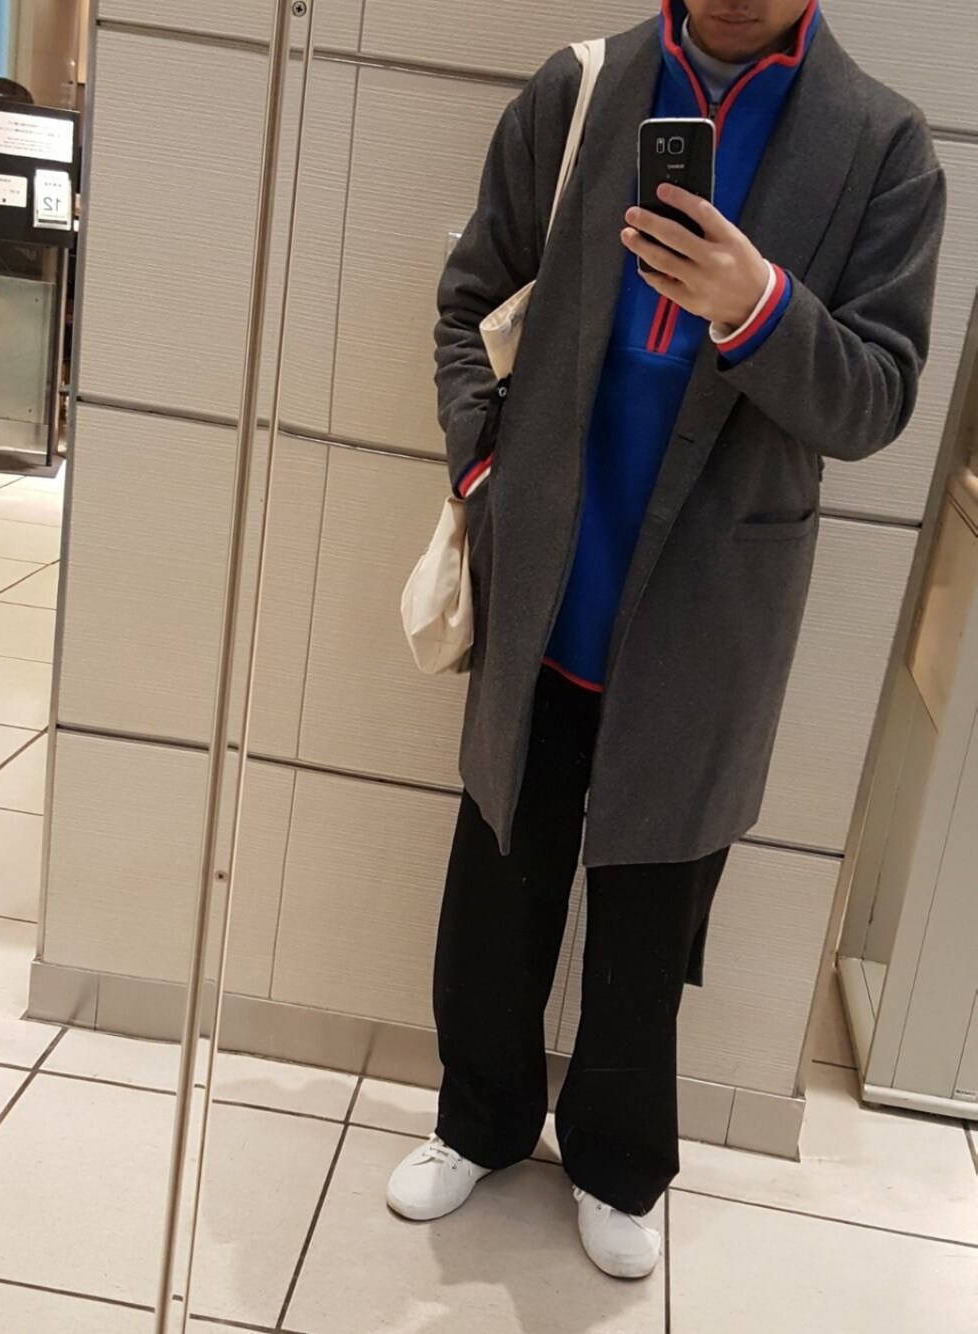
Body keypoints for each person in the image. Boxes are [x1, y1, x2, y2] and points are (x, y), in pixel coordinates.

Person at [386, 0, 946, 1280]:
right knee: (497, 884)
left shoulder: (883, 146)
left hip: (707, 610)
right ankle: (477, 1119)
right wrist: (480, 473)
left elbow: (876, 399)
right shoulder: (580, 88)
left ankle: (619, 1162)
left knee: (651, 918)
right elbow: (469, 301)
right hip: (547, 584)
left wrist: (759, 307)